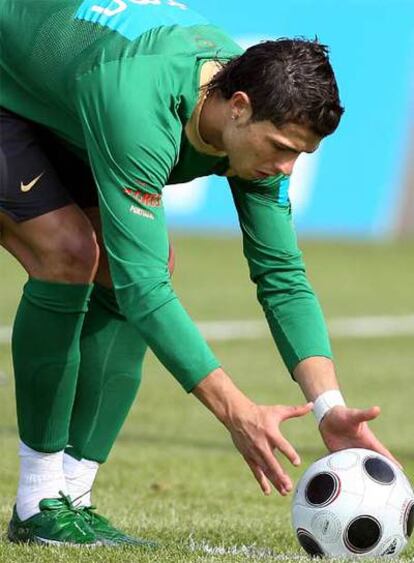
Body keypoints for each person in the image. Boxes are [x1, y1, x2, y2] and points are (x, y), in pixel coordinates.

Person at [0, 0, 395, 547]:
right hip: (16, 84)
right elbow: (146, 292)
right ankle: (39, 500)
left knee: (131, 263)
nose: (285, 169)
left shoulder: (254, 114)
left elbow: (281, 272)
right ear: (237, 106)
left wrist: (329, 406)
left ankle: (72, 499)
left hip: (60, 97)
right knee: (69, 254)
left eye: (299, 156)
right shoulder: (140, 102)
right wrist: (237, 411)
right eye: (280, 148)